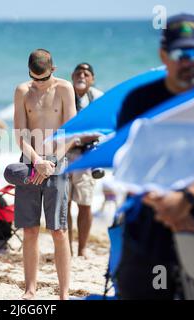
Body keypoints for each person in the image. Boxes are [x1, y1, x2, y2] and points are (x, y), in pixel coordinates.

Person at [115, 13, 194, 299]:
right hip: (148, 231)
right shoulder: (138, 102)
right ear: (164, 55)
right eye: (180, 53)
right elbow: (128, 165)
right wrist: (170, 211)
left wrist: (186, 200)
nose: (188, 60)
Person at [13, 49, 78, 300]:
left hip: (57, 164)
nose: (39, 84)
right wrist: (38, 161)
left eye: (43, 78)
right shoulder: (22, 91)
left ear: (54, 69)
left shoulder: (64, 89)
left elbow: (71, 133)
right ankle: (30, 289)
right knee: (30, 229)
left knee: (58, 230)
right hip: (30, 163)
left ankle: (64, 293)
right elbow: (20, 135)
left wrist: (51, 161)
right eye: (34, 79)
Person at [67, 62, 104, 257]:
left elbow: (103, 127)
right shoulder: (64, 94)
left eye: (86, 73)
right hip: (63, 155)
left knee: (85, 203)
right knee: (63, 203)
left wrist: (77, 139)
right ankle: (68, 249)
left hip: (86, 156)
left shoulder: (97, 97)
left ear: (92, 79)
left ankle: (82, 249)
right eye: (78, 72)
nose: (82, 75)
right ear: (72, 76)